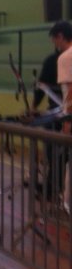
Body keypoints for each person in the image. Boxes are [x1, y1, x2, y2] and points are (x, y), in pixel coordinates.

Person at [52, 21, 72, 211]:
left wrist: (68, 120)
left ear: (60, 36)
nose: (54, 44)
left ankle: (67, 203)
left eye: (54, 39)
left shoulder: (65, 57)